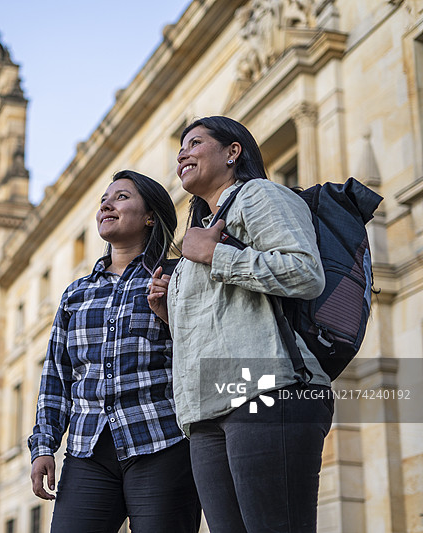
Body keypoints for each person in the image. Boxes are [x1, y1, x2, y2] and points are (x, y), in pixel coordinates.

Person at [148, 116, 333, 532]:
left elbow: (304, 273)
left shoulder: (260, 195)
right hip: (206, 410)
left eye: (195, 142)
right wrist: (168, 312)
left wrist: (214, 255)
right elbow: (222, 322)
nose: (182, 153)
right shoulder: (200, 231)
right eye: (180, 147)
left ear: (233, 152)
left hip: (269, 391)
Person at [28, 170, 201, 533]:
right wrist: (44, 444)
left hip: (162, 443)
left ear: (150, 215)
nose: (107, 204)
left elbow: (203, 355)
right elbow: (56, 377)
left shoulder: (176, 278)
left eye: (121, 197)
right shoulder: (76, 294)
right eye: (104, 199)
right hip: (87, 452)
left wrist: (171, 316)